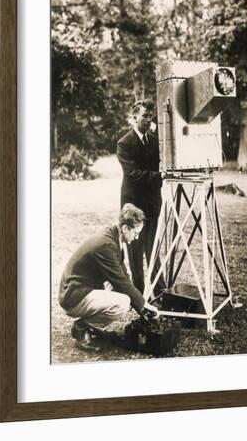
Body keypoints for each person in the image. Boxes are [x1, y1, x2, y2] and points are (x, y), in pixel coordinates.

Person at [58, 204, 158, 351]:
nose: (137, 238)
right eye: (136, 233)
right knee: (123, 303)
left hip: (82, 289)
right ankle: (82, 327)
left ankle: (88, 326)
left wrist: (140, 306)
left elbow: (123, 276)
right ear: (125, 228)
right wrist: (143, 304)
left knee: (127, 295)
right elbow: (120, 280)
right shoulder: (106, 245)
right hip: (73, 296)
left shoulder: (114, 236)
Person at [116, 99, 166, 296]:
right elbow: (133, 174)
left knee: (153, 249)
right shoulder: (124, 143)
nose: (148, 120)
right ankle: (138, 296)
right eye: (144, 116)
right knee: (135, 253)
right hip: (133, 204)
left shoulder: (155, 141)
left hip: (153, 203)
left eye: (150, 116)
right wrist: (159, 176)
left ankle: (160, 294)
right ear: (134, 117)